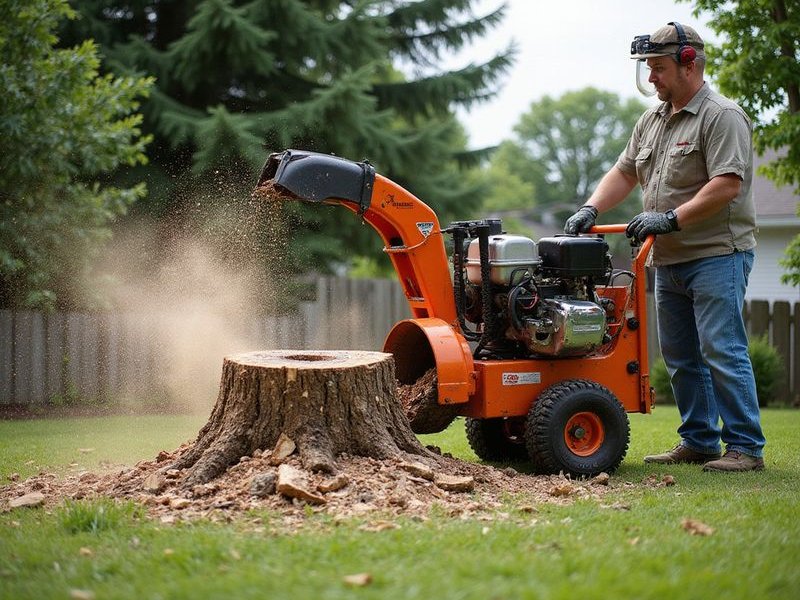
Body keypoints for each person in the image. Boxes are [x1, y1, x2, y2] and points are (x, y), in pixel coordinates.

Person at [563, 22, 766, 472]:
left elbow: (727, 184)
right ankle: (698, 440)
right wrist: (591, 208)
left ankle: (746, 448)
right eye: (648, 69)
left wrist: (671, 218)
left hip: (717, 254)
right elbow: (624, 172)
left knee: (721, 348)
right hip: (667, 257)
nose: (651, 78)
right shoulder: (651, 120)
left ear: (688, 64)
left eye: (658, 68)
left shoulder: (722, 116)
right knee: (680, 355)